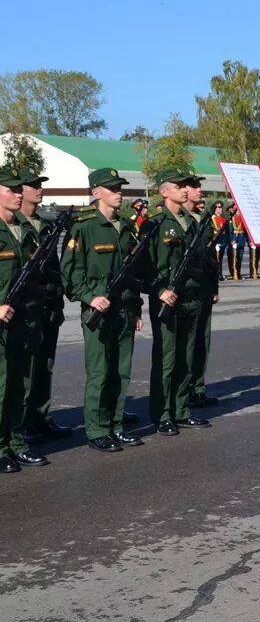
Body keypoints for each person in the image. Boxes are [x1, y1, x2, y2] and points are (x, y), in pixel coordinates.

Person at [61, 168, 146, 452]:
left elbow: (132, 275)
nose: (118, 192)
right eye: (111, 188)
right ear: (96, 192)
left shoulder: (124, 227)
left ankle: (117, 425)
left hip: (123, 310)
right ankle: (97, 429)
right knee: (99, 372)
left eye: (119, 187)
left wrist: (136, 309)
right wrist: (89, 297)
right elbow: (70, 273)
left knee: (121, 371)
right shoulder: (83, 227)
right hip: (98, 313)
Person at [148, 169, 211, 436]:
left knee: (186, 357)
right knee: (167, 359)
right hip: (168, 300)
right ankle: (162, 414)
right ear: (164, 192)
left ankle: (181, 409)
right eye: (180, 186)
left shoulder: (193, 223)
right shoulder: (155, 223)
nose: (186, 190)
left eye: (187, 186)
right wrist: (159, 289)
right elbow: (143, 265)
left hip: (191, 298)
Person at [17, 169, 73, 444]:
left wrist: (58, 302)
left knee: (45, 365)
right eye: (33, 185)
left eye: (40, 185)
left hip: (48, 305)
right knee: (25, 369)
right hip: (26, 308)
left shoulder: (46, 226)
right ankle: (21, 423)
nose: (39, 189)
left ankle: (41, 417)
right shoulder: (15, 225)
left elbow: (55, 269)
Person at [0, 167, 49, 472]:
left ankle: (16, 442)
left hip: (25, 319)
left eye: (21, 189)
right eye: (11, 189)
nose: (19, 194)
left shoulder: (26, 230)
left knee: (21, 385)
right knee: (2, 386)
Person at [186, 182, 220, 409]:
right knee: (187, 344)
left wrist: (215, 288)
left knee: (202, 342)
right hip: (189, 289)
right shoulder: (183, 222)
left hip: (206, 287)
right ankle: (185, 391)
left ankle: (198, 387)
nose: (201, 191)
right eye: (194, 187)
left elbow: (211, 260)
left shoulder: (203, 219)